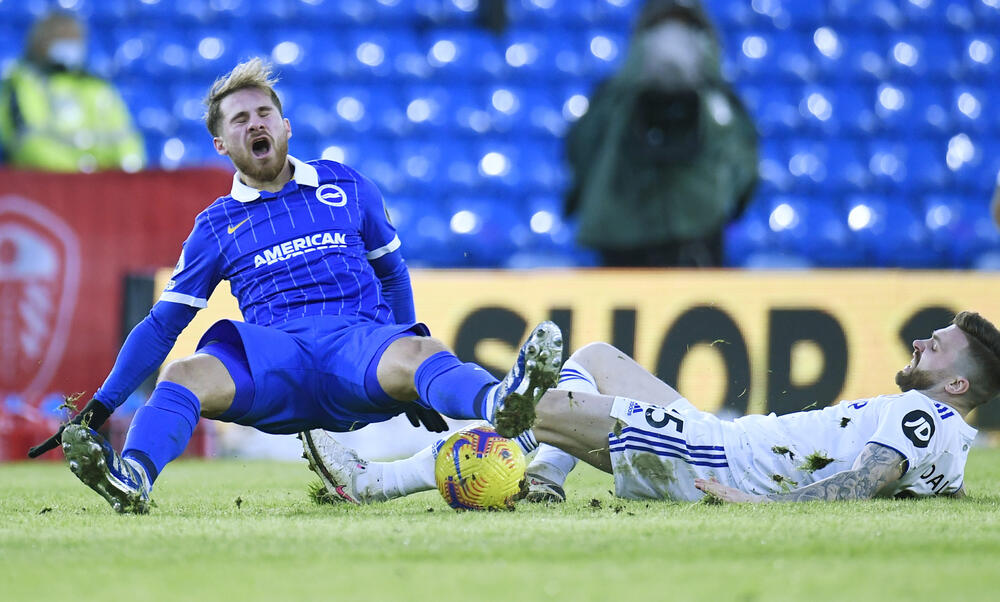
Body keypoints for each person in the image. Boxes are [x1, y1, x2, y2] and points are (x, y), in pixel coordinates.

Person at [28, 57, 563, 514]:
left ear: (285, 127)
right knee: (186, 372)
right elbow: (163, 324)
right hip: (275, 358)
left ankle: (502, 404)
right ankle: (134, 478)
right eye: (240, 119)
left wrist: (404, 358)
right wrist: (101, 406)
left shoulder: (345, 184)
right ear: (221, 143)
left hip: (356, 346)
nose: (255, 123)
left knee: (421, 349)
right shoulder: (215, 225)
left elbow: (392, 274)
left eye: (265, 113)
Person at [302, 311, 999, 505]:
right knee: (600, 356)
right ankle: (544, 474)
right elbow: (922, 487)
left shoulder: (922, 418)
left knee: (530, 405)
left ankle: (374, 480)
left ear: (959, 386)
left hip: (721, 459)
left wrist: (754, 506)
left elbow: (869, 478)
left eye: (935, 347)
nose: (920, 342)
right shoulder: (950, 443)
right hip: (724, 437)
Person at [564, 0, 758, 267]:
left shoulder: (720, 102)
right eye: (661, 30)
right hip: (625, 237)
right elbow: (581, 150)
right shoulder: (612, 99)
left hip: (694, 235)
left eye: (684, 29)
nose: (670, 47)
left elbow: (745, 167)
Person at [0, 11, 146, 172]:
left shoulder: (96, 87)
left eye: (75, 38)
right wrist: (79, 171)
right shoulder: (23, 83)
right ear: (41, 42)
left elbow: (127, 140)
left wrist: (123, 173)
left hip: (104, 185)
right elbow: (28, 144)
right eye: (62, 37)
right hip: (46, 185)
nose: (70, 44)